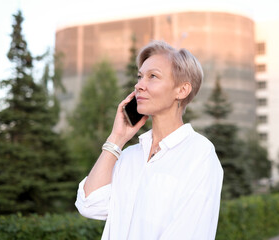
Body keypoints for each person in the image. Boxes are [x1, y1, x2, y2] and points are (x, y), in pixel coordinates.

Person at [75, 40, 223, 240]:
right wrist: (117, 138)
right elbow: (89, 205)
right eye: (140, 76)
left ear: (182, 90)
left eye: (153, 76)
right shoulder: (128, 156)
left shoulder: (200, 154)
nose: (139, 85)